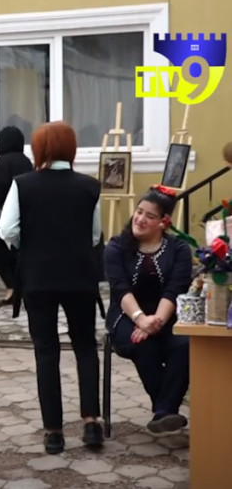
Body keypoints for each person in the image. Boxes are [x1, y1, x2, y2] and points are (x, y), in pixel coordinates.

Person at [0, 121, 104, 455]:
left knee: (46, 351)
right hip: (80, 276)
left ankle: (54, 432)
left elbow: (7, 229)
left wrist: (30, 246)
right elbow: (94, 235)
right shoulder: (90, 186)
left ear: (39, 149)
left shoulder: (23, 184)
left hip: (38, 277)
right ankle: (91, 423)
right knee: (85, 346)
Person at [105, 186, 192, 434]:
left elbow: (174, 290)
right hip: (126, 315)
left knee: (185, 344)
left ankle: (164, 411)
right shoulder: (116, 246)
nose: (140, 219)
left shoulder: (179, 249)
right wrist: (140, 319)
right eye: (139, 212)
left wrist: (156, 321)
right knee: (143, 343)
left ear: (164, 222)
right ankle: (166, 410)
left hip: (167, 315)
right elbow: (120, 289)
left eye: (150, 216)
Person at [0, 126, 33, 306]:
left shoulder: (3, 162)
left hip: (4, 214)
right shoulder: (26, 161)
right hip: (25, 213)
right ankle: (22, 287)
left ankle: (11, 289)